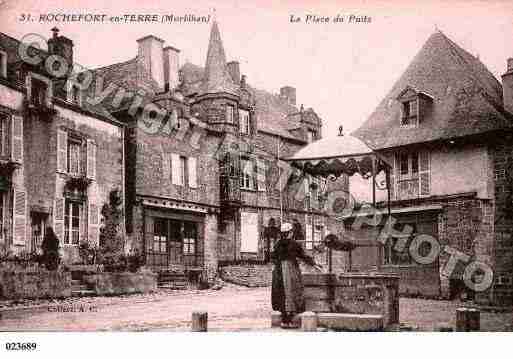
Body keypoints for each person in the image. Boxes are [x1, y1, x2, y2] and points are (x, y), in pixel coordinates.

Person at [271, 222, 320, 328]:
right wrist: (314, 264)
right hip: (290, 270)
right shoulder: (294, 244)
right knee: (293, 292)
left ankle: (284, 320)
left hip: (278, 272)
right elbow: (303, 255)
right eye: (291, 232)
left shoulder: (277, 244)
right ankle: (290, 321)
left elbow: (273, 257)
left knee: (282, 294)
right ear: (290, 233)